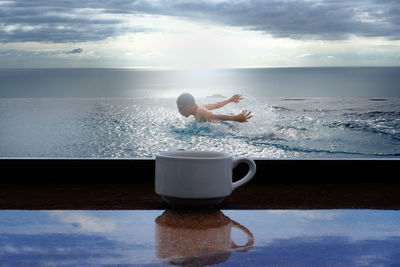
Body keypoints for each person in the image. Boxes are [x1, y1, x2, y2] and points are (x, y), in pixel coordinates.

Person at [176, 93, 252, 123]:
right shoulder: (198, 107)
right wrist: (230, 100)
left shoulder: (200, 110)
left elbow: (214, 116)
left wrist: (236, 118)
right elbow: (217, 105)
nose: (179, 111)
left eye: (180, 108)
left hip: (225, 126)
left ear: (188, 107)